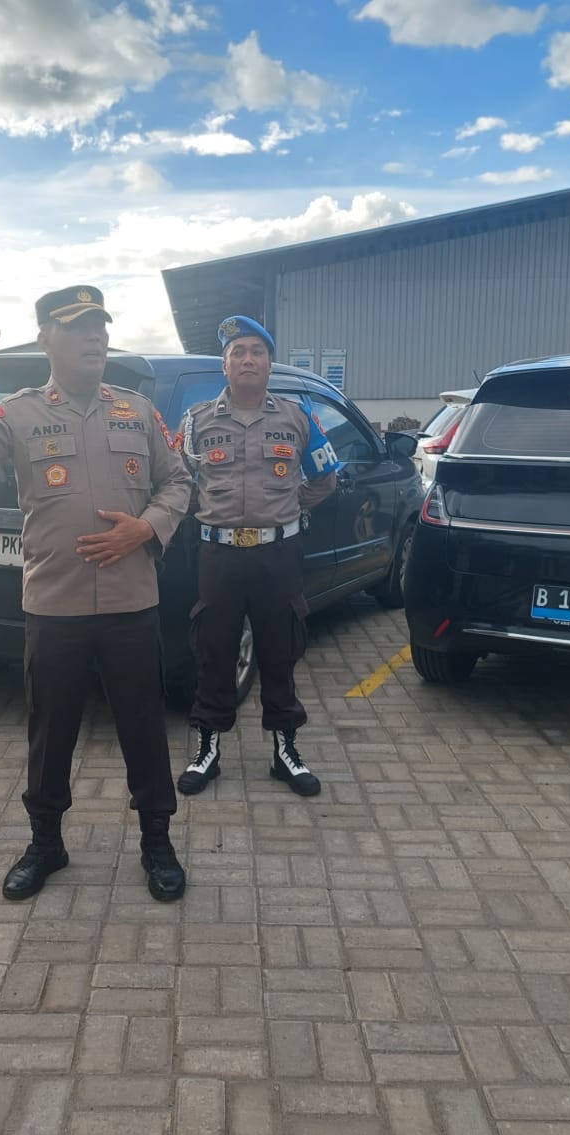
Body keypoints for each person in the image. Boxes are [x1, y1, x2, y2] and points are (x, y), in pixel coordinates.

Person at [0, 287, 192, 902]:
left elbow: (178, 480)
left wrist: (147, 527)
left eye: (100, 326)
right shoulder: (18, 413)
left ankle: (157, 842)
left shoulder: (136, 411)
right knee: (50, 732)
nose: (95, 337)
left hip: (131, 602)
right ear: (45, 339)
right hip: (54, 606)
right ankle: (45, 842)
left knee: (143, 727)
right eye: (78, 328)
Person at [177, 315, 340, 798]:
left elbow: (325, 479)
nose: (247, 360)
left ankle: (286, 751)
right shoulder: (196, 421)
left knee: (280, 649)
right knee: (215, 650)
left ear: (270, 363)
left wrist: (284, 511)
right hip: (219, 554)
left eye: (257, 352)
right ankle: (207, 749)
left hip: (278, 553)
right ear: (224, 365)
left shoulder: (297, 418)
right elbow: (178, 483)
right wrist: (209, 513)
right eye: (238, 353)